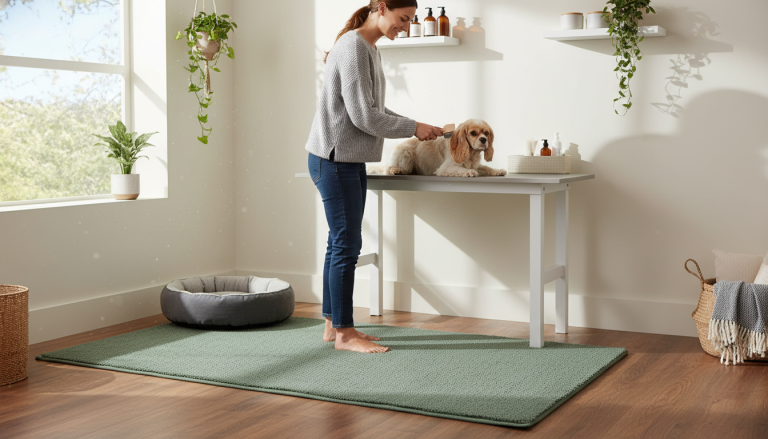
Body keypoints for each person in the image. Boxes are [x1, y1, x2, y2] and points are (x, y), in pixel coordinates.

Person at [305, 0, 443, 353]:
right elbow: (364, 117)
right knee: (347, 245)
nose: (406, 27)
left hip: (346, 160)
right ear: (380, 7)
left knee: (340, 242)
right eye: (403, 19)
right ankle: (344, 334)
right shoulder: (353, 47)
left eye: (411, 21)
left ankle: (332, 325)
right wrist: (414, 126)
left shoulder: (367, 47)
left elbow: (375, 110)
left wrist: (418, 127)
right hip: (335, 159)